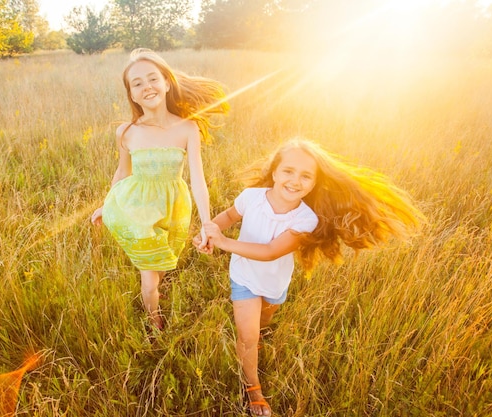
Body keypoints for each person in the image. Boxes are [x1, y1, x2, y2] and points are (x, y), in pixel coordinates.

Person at [194, 138, 424, 416]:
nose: (295, 181)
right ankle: (253, 387)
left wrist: (223, 243)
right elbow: (229, 215)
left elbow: (269, 251)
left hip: (275, 281)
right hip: (243, 276)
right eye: (288, 171)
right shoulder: (252, 196)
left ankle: (261, 332)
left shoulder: (306, 219)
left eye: (305, 176)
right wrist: (209, 232)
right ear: (275, 172)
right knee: (248, 336)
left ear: (314, 184)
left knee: (266, 319)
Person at [91, 48, 228, 331]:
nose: (146, 86)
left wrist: (207, 223)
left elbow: (198, 180)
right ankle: (155, 322)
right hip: (138, 211)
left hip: (174, 208)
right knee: (149, 276)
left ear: (167, 83)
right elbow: (122, 172)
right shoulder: (127, 132)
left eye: (152, 78)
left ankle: (155, 292)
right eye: (137, 83)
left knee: (164, 263)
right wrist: (108, 205)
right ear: (131, 94)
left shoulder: (187, 128)